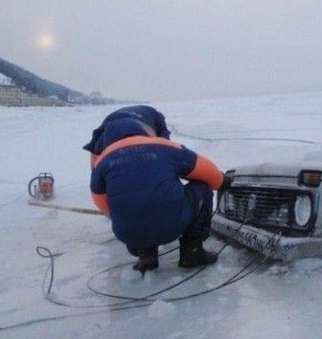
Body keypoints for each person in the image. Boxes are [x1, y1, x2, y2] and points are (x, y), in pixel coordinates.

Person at [89, 116, 228, 273]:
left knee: (133, 203)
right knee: (201, 186)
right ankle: (192, 251)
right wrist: (222, 182)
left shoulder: (101, 162)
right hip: (172, 224)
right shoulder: (163, 147)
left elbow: (100, 201)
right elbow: (206, 171)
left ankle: (146, 254)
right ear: (140, 130)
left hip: (129, 236)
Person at [83, 105, 171, 166]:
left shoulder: (155, 124)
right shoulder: (101, 141)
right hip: (116, 118)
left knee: (163, 150)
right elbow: (95, 154)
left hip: (142, 118)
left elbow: (166, 147)